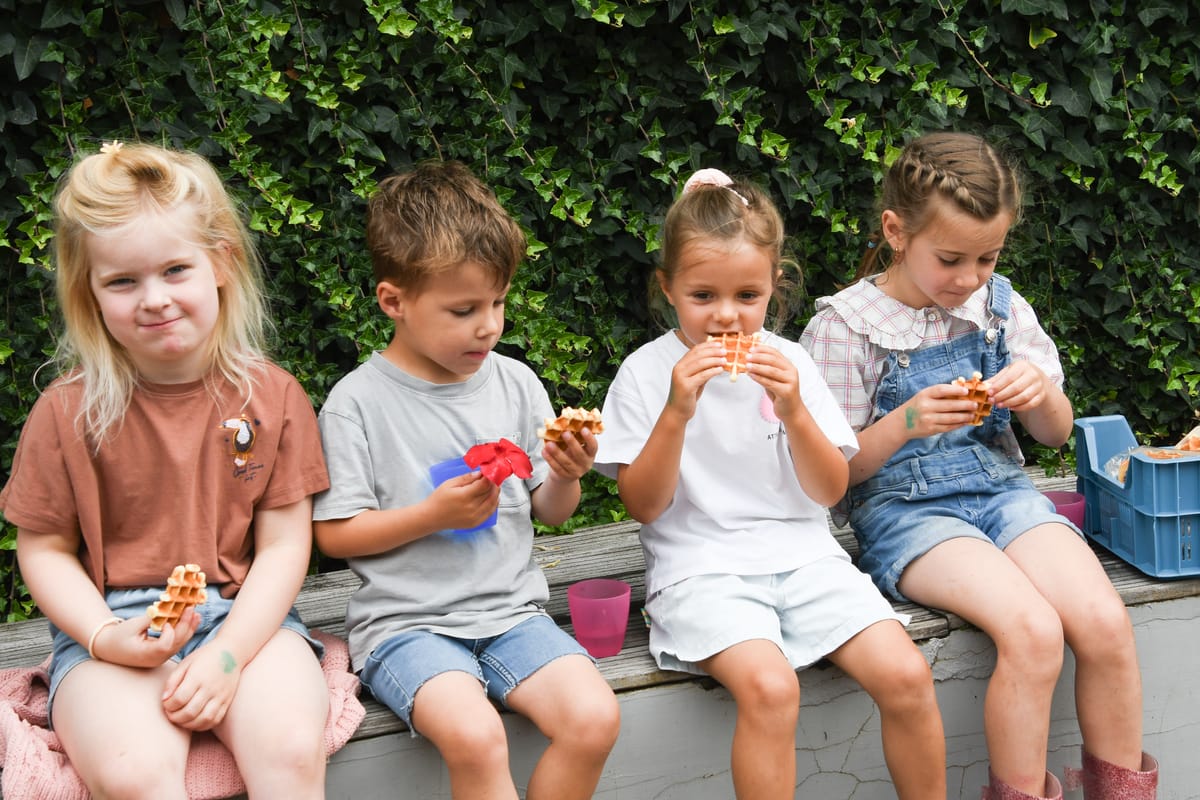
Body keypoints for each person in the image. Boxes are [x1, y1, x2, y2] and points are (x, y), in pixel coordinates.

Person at [801, 131, 1158, 800]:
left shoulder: (998, 307)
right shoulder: (843, 329)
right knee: (1032, 631)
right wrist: (904, 423)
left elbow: (1053, 431)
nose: (968, 278)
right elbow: (832, 473)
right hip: (907, 514)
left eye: (987, 258)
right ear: (895, 230)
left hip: (1002, 490)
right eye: (951, 258)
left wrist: (1042, 395)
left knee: (1106, 622)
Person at [594, 167, 946, 799]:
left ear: (772, 288)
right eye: (703, 297)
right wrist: (676, 411)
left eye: (747, 297)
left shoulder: (794, 364)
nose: (726, 317)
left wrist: (794, 410)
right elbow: (645, 506)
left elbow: (830, 490)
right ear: (667, 288)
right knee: (772, 688)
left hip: (807, 558)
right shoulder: (647, 374)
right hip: (699, 569)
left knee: (908, 674)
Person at [0, 142, 332, 799]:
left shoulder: (274, 397)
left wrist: (228, 655)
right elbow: (42, 548)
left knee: (291, 749)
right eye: (122, 282)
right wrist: (103, 636)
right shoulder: (66, 412)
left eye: (176, 269)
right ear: (88, 293)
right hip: (112, 623)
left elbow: (286, 545)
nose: (153, 299)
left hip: (245, 617)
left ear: (221, 264)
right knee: (133, 773)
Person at [312, 160, 620, 800]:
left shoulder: (515, 383)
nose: (490, 325)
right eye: (463, 309)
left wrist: (567, 475)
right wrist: (430, 516)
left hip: (512, 612)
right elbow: (335, 535)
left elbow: (551, 512)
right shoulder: (356, 404)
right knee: (477, 738)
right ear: (393, 301)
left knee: (594, 718)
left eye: (499, 302)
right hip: (405, 626)